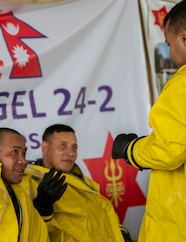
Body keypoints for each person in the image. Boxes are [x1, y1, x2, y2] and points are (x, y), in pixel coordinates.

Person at [112, 1, 186, 241]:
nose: (169, 52)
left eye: (168, 44)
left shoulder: (181, 85)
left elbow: (170, 150)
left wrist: (131, 149)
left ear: (183, 37)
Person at [22, 124, 130, 242]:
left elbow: (104, 214)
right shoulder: (29, 183)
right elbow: (30, 233)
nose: (71, 153)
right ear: (45, 147)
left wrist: (120, 232)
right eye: (63, 145)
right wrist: (42, 208)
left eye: (74, 147)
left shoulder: (84, 181)